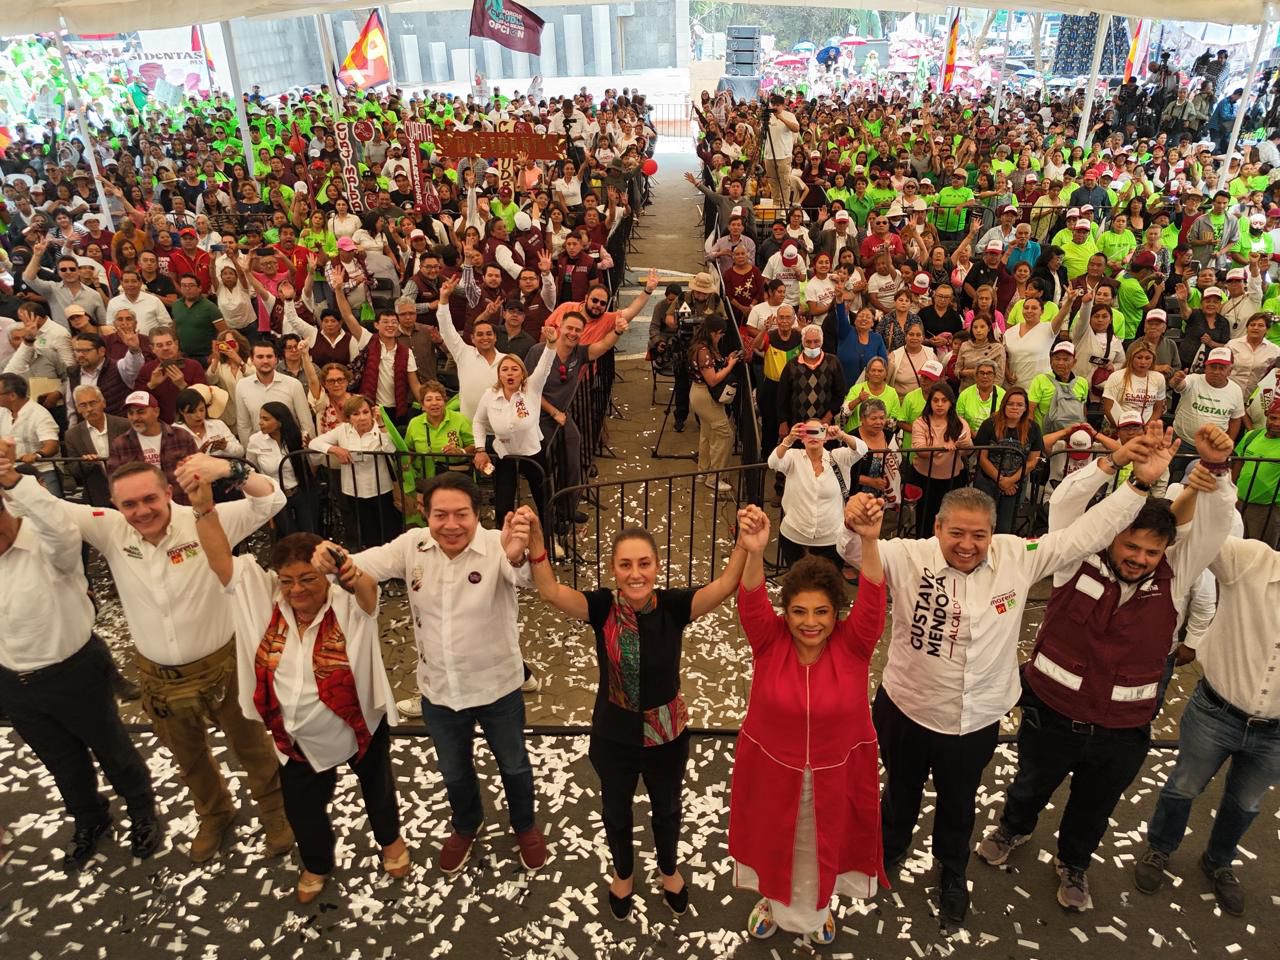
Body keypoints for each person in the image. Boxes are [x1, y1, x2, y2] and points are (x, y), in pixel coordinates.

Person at [836, 422, 1182, 925]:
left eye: (979, 535)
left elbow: (1085, 534)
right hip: (907, 707)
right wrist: (853, 525)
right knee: (901, 791)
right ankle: (888, 851)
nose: (968, 545)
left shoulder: (1017, 557)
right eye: (956, 533)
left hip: (975, 718)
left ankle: (951, 871)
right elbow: (853, 553)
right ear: (937, 529)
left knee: (959, 802)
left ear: (993, 532)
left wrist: (1136, 484)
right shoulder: (908, 555)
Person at [978, 430, 1236, 911]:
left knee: (1094, 805)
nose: (1139, 559)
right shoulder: (1072, 559)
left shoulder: (1176, 578)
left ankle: (1074, 862)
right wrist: (1119, 464)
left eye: (1151, 552)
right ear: (1111, 532)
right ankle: (1014, 828)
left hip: (1122, 728)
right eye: (1131, 546)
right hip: (1051, 712)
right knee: (1031, 782)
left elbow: (1215, 527)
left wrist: (1218, 470)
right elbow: (1070, 502)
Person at [45, 452, 294, 863]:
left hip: (224, 664)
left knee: (251, 746)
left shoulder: (204, 516)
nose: (142, 511)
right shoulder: (111, 531)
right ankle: (215, 813)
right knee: (188, 756)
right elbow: (52, 507)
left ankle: (275, 814)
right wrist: (12, 478)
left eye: (150, 500)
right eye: (129, 504)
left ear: (167, 493)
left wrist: (231, 470)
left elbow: (271, 501)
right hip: (159, 674)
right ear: (114, 506)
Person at [180, 466, 407, 904]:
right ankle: (317, 863)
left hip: (359, 725)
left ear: (324, 579)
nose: (297, 590)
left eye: (307, 579)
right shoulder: (261, 599)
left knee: (377, 788)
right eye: (288, 581)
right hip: (295, 737)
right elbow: (221, 561)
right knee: (302, 807)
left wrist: (344, 566)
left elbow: (367, 595)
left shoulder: (346, 602)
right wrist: (204, 508)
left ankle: (390, 842)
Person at [521, 505, 754, 919]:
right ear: (613, 569)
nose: (635, 574)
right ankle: (624, 873)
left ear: (657, 566)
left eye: (644, 564)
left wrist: (744, 543)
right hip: (615, 735)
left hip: (668, 735)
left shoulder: (673, 606)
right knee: (616, 810)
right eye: (625, 565)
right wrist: (537, 543)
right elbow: (551, 592)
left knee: (667, 807)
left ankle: (668, 871)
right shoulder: (602, 608)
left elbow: (724, 586)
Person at [310, 472, 548, 875]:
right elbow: (361, 562)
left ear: (478, 514)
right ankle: (466, 824)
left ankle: (524, 825)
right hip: (440, 691)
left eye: (461, 515)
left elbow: (523, 578)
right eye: (441, 515)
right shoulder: (412, 545)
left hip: (497, 688)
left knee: (515, 766)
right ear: (425, 512)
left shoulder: (497, 545)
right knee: (454, 770)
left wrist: (517, 555)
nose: (451, 525)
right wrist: (329, 554)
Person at [732, 500, 887, 945]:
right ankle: (770, 901)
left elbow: (875, 597)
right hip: (772, 775)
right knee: (776, 847)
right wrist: (755, 550)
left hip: (835, 776)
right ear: (786, 613)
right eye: (799, 612)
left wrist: (870, 541)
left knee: (823, 851)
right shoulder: (768, 641)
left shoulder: (854, 645)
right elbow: (751, 600)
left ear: (836, 611)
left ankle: (822, 905)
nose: (810, 623)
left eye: (821, 612)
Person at [0, 441, 160, 869]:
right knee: (61, 761)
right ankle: (89, 818)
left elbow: (57, 524)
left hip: (73, 671)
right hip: (15, 683)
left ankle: (142, 810)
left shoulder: (49, 545)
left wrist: (16, 480)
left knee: (111, 748)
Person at [1134, 526, 1280, 916]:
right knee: (1184, 785)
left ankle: (1219, 862)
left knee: (1246, 802)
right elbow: (1187, 532)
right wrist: (1211, 475)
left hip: (1276, 732)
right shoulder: (1250, 561)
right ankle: (1160, 849)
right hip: (1218, 710)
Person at [768, 420, 868, 567]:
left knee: (827, 584)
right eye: (808, 432)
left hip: (831, 539)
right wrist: (789, 439)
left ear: (825, 438)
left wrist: (841, 435)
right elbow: (773, 462)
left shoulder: (838, 457)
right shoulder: (793, 457)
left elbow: (862, 449)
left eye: (819, 432)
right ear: (802, 438)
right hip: (794, 535)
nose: (814, 437)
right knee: (798, 585)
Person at [309, 395, 398, 549]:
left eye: (365, 412)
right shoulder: (343, 430)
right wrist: (335, 449)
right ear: (349, 417)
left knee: (388, 534)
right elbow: (314, 443)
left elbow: (390, 450)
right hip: (354, 490)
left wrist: (382, 424)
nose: (362, 418)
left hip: (380, 489)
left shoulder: (381, 428)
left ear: (372, 413)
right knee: (366, 535)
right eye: (356, 414)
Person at [108, 390, 200, 504]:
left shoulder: (182, 436)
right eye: (130, 413)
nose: (135, 418)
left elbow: (198, 473)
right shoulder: (120, 444)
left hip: (182, 505)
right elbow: (115, 482)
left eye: (141, 412)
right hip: (144, 510)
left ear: (156, 412)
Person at [974, 387, 1042, 533]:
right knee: (982, 526)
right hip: (987, 482)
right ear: (1004, 405)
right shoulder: (989, 424)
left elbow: (1033, 460)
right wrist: (1001, 480)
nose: (1015, 408)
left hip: (1015, 485)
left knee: (1005, 528)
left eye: (1019, 405)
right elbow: (981, 457)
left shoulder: (1034, 428)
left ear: (1025, 408)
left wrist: (1010, 481)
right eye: (1010, 404)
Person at [910, 381, 973, 537]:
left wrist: (966, 445)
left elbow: (966, 451)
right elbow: (919, 450)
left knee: (950, 518)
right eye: (935, 400)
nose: (939, 404)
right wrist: (943, 447)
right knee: (924, 519)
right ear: (929, 402)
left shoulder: (960, 423)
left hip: (952, 479)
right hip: (925, 478)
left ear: (951, 403)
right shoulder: (920, 422)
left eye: (944, 400)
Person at [247, 401, 319, 536]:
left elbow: (314, 462)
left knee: (309, 534)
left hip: (300, 491)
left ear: (280, 422)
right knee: (288, 536)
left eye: (266, 419)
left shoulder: (299, 437)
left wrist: (310, 446)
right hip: (276, 496)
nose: (260, 422)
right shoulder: (255, 441)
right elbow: (250, 469)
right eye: (260, 418)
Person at [687, 316, 739, 492]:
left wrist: (726, 360)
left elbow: (713, 366)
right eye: (719, 334)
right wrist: (730, 366)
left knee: (707, 432)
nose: (720, 337)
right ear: (713, 333)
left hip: (699, 393)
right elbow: (713, 379)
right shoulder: (703, 350)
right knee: (724, 433)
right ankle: (714, 477)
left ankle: (703, 470)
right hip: (705, 395)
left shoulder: (703, 346)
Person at [1169, 348, 1246, 445]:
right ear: (1206, 367)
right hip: (1182, 442)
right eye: (1213, 367)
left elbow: (1236, 419)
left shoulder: (1236, 390)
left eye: (1222, 368)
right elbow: (1177, 385)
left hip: (1213, 446)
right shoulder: (1193, 379)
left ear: (1229, 371)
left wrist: (1228, 442)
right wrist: (1176, 380)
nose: (1216, 371)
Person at [174, 386, 243, 458]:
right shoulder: (174, 432)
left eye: (201, 410)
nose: (199, 415)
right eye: (192, 412)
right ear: (181, 411)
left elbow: (240, 452)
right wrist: (198, 455)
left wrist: (226, 446)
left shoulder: (218, 425)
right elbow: (171, 463)